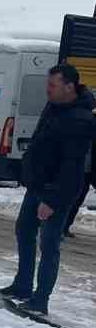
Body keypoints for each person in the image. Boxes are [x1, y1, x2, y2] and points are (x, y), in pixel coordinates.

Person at [0, 63, 94, 315]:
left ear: (69, 87)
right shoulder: (54, 106)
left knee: (49, 244)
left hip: (57, 191)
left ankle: (40, 300)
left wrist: (51, 200)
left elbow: (72, 167)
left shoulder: (81, 119)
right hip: (38, 184)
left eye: (52, 85)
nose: (47, 90)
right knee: (24, 230)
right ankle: (22, 286)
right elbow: (43, 144)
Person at [62, 86, 95, 237]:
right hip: (78, 166)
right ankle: (60, 226)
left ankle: (63, 226)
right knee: (72, 198)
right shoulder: (75, 117)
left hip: (85, 168)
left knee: (76, 198)